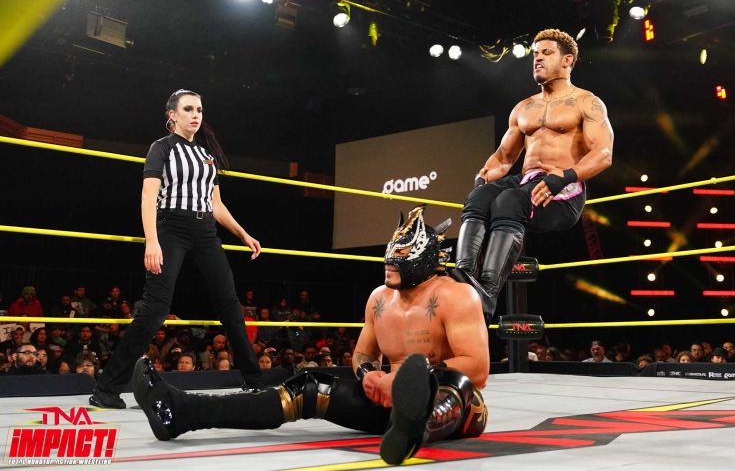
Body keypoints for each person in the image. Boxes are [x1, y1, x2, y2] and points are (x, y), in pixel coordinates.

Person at [132, 205, 489, 465]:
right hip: (385, 404)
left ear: (425, 259)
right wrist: (369, 376)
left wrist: (402, 381)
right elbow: (363, 354)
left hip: (452, 407)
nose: (390, 261)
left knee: (456, 386)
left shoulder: (456, 296)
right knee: (308, 387)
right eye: (390, 253)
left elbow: (477, 367)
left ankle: (415, 429)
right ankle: (180, 412)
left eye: (402, 255)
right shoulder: (379, 299)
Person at [89, 89, 266, 409]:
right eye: (188, 109)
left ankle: (254, 382)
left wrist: (243, 234)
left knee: (229, 304)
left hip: (205, 231)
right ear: (172, 114)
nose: (196, 115)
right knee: (156, 308)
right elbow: (148, 197)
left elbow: (215, 203)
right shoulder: (162, 148)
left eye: (199, 109)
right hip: (170, 227)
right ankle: (106, 388)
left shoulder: (206, 154)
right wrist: (152, 241)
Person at [453, 28, 614, 320]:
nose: (537, 58)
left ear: (567, 60)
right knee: (479, 197)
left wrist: (565, 176)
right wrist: (483, 177)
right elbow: (504, 158)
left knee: (509, 202)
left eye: (546, 53)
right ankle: (463, 280)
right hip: (528, 181)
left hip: (563, 188)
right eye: (535, 54)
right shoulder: (524, 107)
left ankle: (486, 294)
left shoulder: (586, 102)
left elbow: (603, 154)